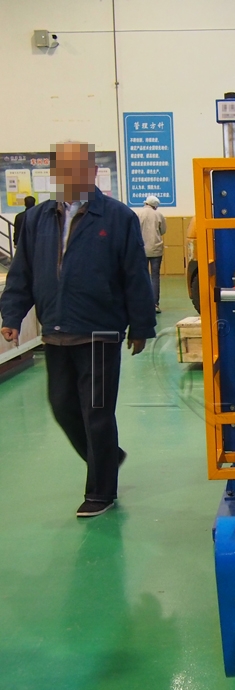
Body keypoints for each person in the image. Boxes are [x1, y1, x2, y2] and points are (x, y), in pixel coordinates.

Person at [0, 141, 156, 518]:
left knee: (96, 413)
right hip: (55, 330)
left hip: (101, 331)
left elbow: (135, 274)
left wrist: (141, 325)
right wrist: (11, 315)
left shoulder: (117, 217)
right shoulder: (37, 219)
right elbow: (23, 272)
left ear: (92, 172)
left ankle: (101, 492)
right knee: (62, 406)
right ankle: (107, 457)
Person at [137, 195, 167, 313]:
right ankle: (155, 304)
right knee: (155, 277)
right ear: (155, 206)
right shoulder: (158, 215)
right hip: (156, 249)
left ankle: (142, 304)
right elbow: (163, 230)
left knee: (142, 276)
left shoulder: (138, 214)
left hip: (141, 249)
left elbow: (135, 230)